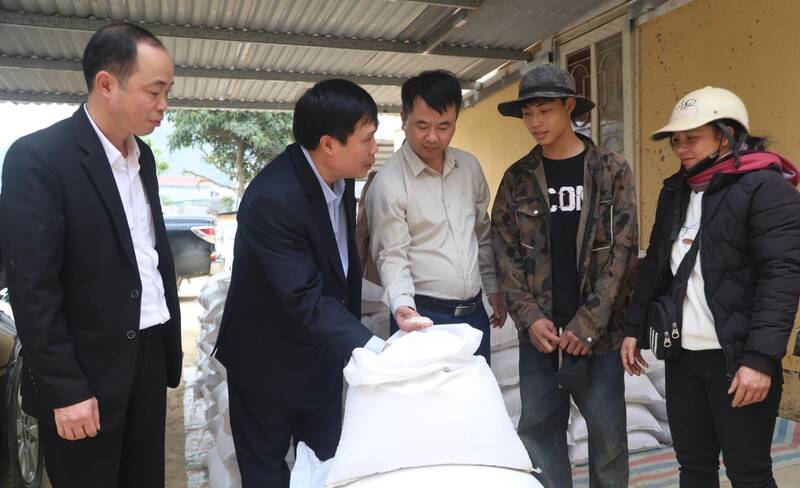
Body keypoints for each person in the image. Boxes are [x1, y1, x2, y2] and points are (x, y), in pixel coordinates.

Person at [0, 24, 181, 487]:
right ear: (106, 83)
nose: (164, 105)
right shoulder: (40, 158)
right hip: (86, 372)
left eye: (168, 91)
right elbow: (33, 287)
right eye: (154, 91)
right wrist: (65, 389)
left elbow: (146, 257)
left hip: (146, 356)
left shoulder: (143, 160)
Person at [213, 79, 419, 487]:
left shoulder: (340, 181)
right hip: (266, 364)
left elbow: (339, 270)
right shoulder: (274, 198)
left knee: (327, 467)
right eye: (367, 139)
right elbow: (304, 296)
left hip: (321, 358)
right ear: (329, 144)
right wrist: (376, 347)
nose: (373, 148)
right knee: (268, 472)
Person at [621, 86, 800, 487]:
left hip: (737, 361)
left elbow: (783, 276)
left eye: (692, 138)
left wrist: (760, 359)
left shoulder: (767, 189)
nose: (681, 148)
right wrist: (633, 329)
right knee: (695, 469)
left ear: (726, 134)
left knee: (748, 474)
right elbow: (655, 268)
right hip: (684, 359)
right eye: (676, 140)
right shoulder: (677, 190)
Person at [492, 64, 638, 487]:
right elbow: (505, 255)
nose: (535, 123)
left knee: (609, 442)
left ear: (569, 107)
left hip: (600, 338)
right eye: (528, 113)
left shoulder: (611, 170)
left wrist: (589, 324)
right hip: (541, 337)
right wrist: (530, 317)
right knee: (539, 435)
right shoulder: (516, 179)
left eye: (545, 111)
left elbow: (624, 252)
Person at [366, 69, 507, 362]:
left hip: (474, 315)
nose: (432, 137)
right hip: (422, 318)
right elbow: (391, 253)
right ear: (404, 118)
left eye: (444, 126)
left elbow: (481, 233)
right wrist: (403, 306)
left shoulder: (468, 168)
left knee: (474, 403)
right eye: (422, 125)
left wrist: (493, 287)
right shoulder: (389, 182)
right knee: (426, 406)